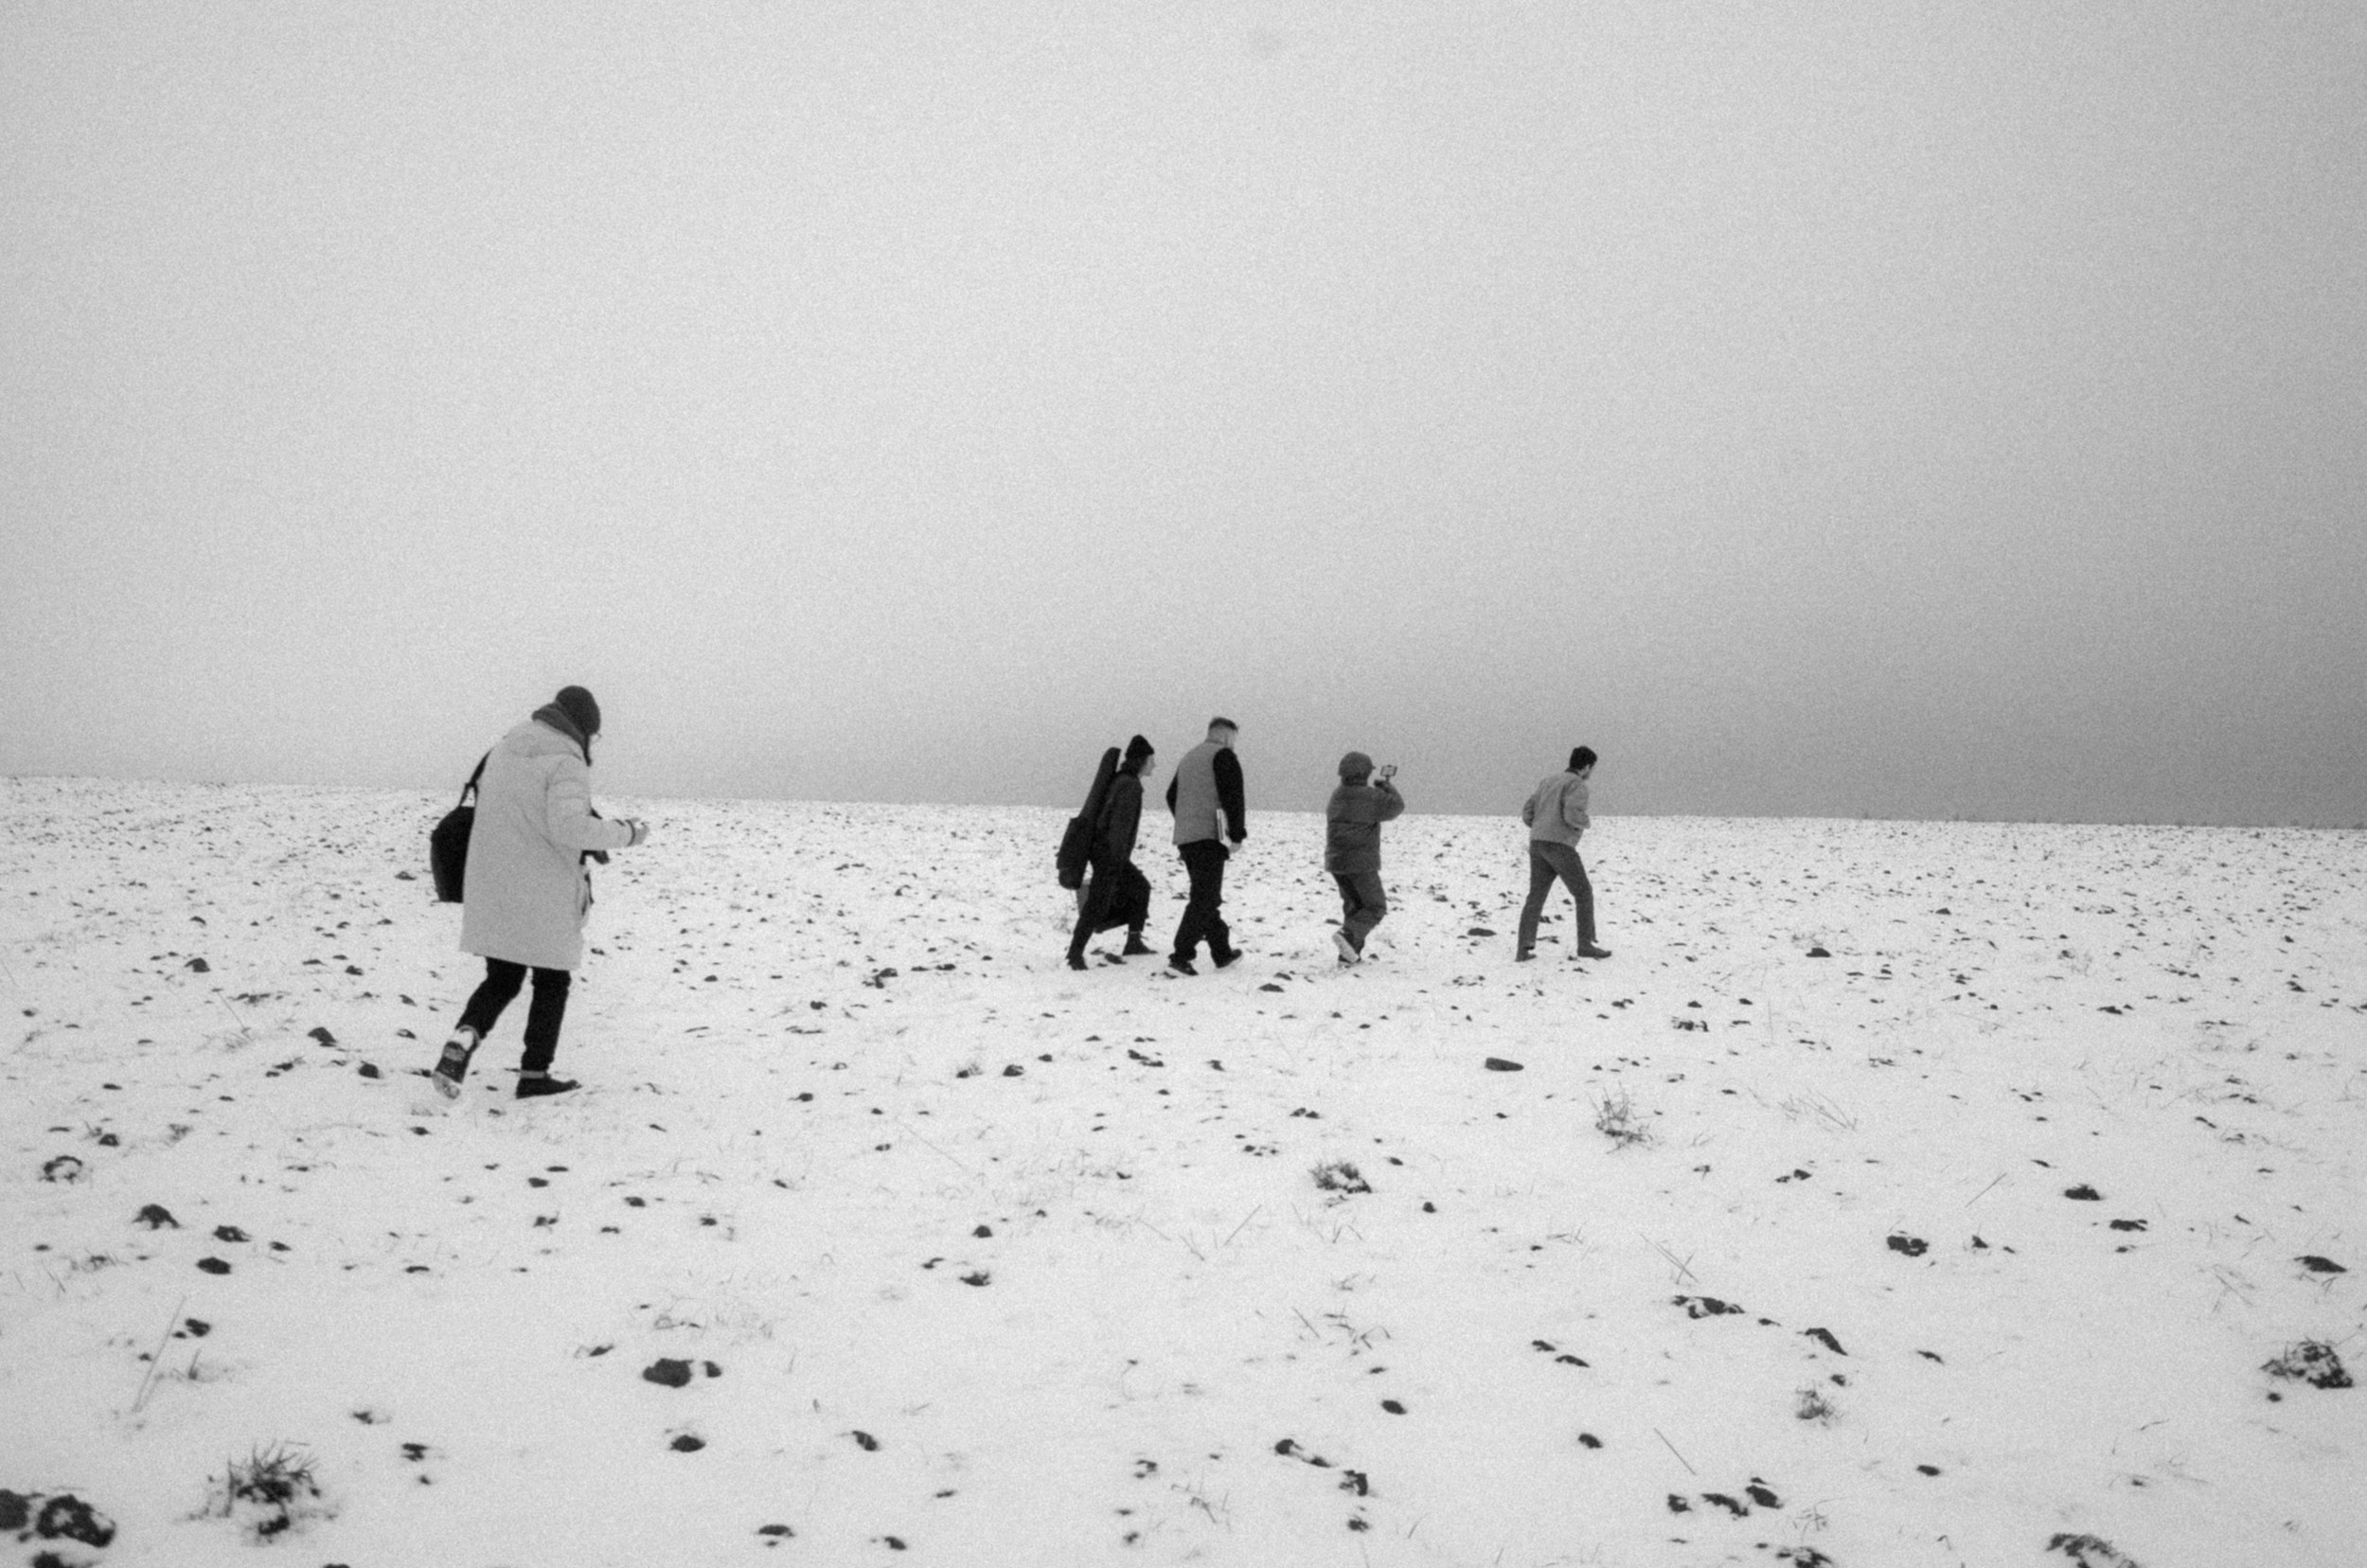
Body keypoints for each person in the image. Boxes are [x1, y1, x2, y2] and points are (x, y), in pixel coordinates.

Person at [432, 686, 648, 1099]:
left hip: (494, 881)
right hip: (543, 887)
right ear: (583, 727)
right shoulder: (566, 759)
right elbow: (568, 827)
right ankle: (534, 1077)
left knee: (503, 977)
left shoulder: (507, 746)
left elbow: (520, 810)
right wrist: (627, 833)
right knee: (552, 980)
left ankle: (466, 1035)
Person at [1067, 736, 1158, 971]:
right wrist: (1116, 861)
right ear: (1141, 761)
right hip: (1110, 854)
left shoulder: (1121, 780)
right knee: (1097, 903)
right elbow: (1120, 825)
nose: (1154, 765)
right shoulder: (1130, 786)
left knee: (1139, 888)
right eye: (1151, 760)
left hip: (1106, 852)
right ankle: (1074, 954)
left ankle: (1134, 942)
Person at [1165, 717, 1247, 974]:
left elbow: (1170, 795)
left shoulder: (1189, 758)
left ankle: (1222, 954)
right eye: (1234, 739)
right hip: (1210, 837)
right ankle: (1181, 957)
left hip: (1186, 838)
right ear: (1226, 736)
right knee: (1206, 898)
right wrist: (1237, 835)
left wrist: (1187, 820)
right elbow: (1233, 797)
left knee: (1204, 896)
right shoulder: (1223, 756)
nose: (1234, 744)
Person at [1516, 746, 1609, 962]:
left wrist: (1540, 826)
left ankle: (1523, 949)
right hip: (1560, 845)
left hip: (1538, 843)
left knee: (1536, 896)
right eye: (1591, 768)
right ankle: (1585, 945)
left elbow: (1528, 812)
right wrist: (1585, 824)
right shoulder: (1577, 785)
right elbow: (1572, 814)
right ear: (1586, 766)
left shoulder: (1547, 781)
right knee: (1583, 892)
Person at [1325, 753, 1403, 965]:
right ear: (1366, 772)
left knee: (1355, 907)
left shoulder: (1338, 794)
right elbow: (1396, 807)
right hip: (1360, 862)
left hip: (1336, 861)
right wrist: (1387, 788)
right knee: (1375, 907)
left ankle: (1348, 955)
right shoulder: (1370, 796)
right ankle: (1348, 935)